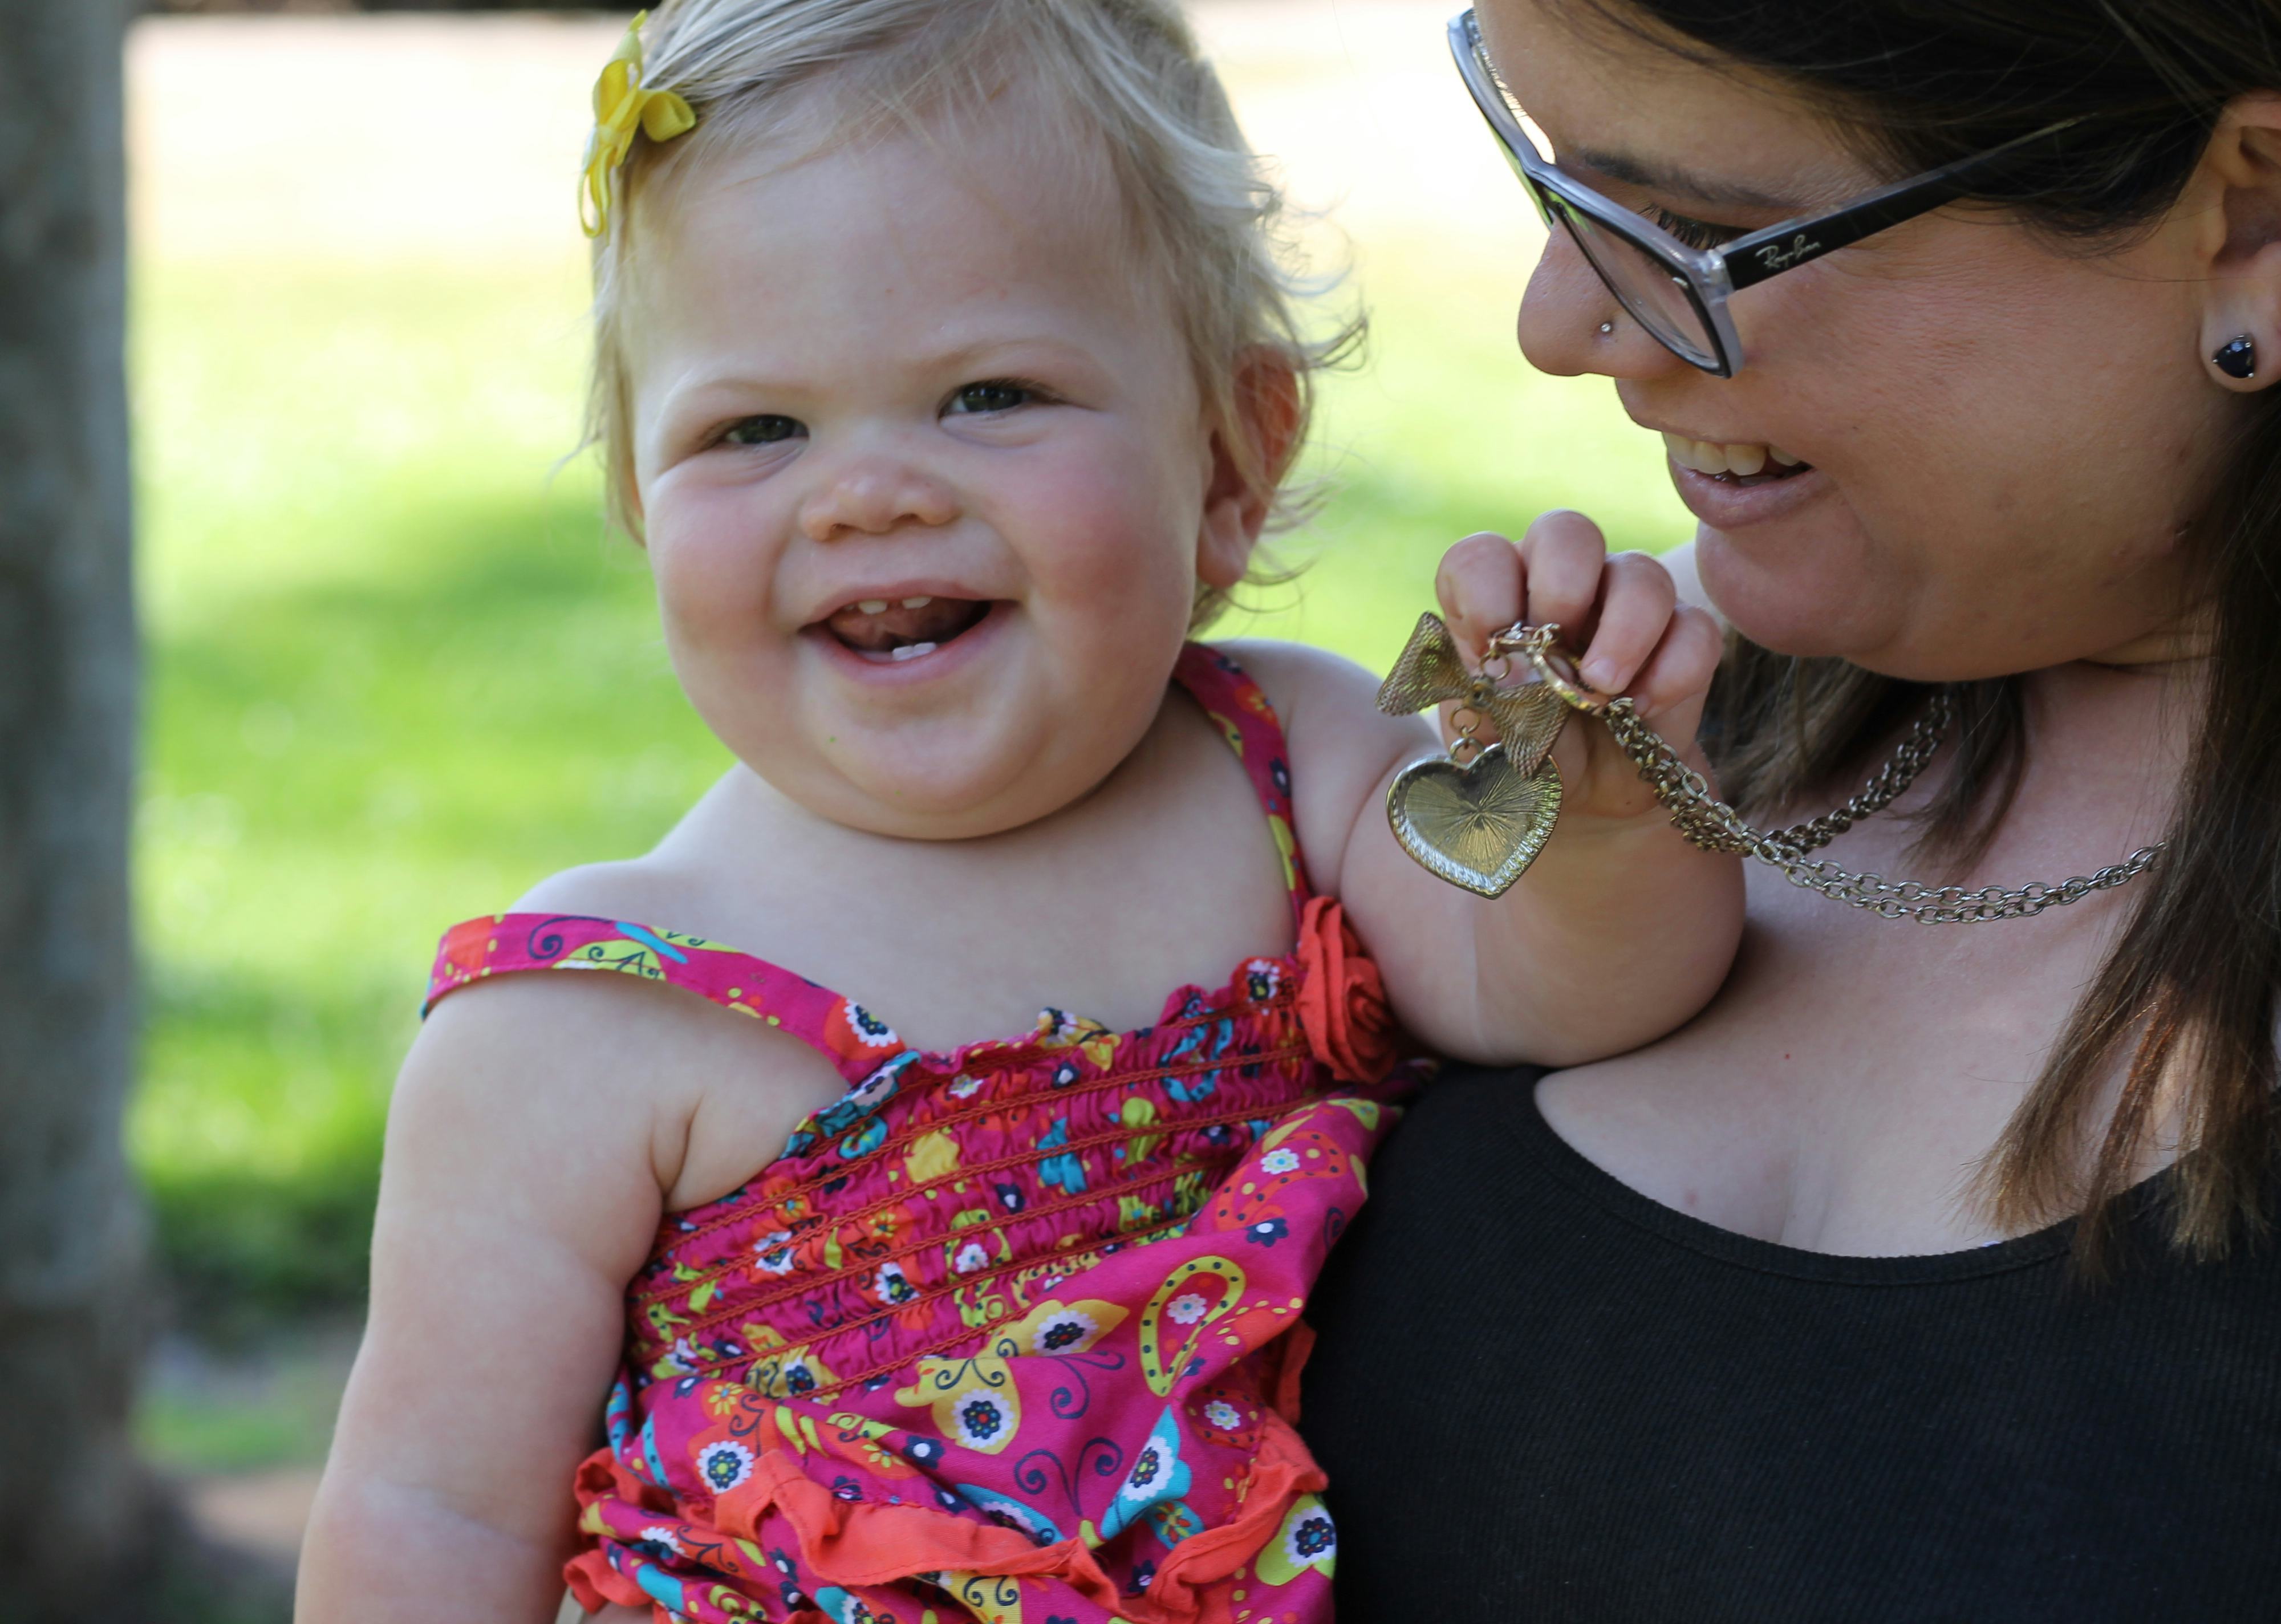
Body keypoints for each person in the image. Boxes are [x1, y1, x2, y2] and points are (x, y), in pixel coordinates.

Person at [293, 2, 1743, 1620]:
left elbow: (1568, 995)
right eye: (753, 429)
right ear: (641, 501)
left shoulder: (1294, 770)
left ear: (1228, 462)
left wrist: (1605, 821)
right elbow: (430, 1515)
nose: (869, 494)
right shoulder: (584, 1019)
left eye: (987, 395)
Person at [1297, 0, 2281, 1618]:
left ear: (2263, 229)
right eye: (1555, 177)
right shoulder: (1625, 708)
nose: (1558, 325)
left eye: (1698, 232)